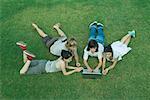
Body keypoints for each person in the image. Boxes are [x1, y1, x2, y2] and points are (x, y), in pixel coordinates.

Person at [16, 41, 83, 75]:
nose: (71, 60)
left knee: (25, 64)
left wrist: (76, 68)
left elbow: (67, 67)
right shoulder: (62, 63)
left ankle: (24, 50)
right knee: (22, 72)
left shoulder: (62, 58)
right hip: (43, 68)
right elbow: (65, 73)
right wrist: (75, 71)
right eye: (70, 59)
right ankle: (30, 59)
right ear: (65, 58)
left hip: (44, 62)